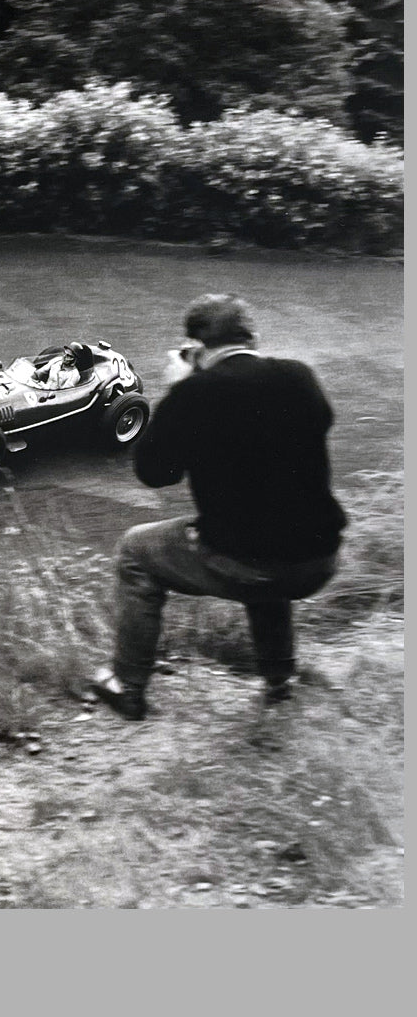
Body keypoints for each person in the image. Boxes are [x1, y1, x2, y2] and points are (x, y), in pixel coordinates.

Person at [91, 294, 346, 721]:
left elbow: (154, 473)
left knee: (136, 550)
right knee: (265, 541)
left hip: (248, 562)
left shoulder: (195, 393)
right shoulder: (301, 376)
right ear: (254, 337)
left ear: (194, 347)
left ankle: (126, 684)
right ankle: (280, 680)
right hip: (319, 559)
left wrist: (177, 391)